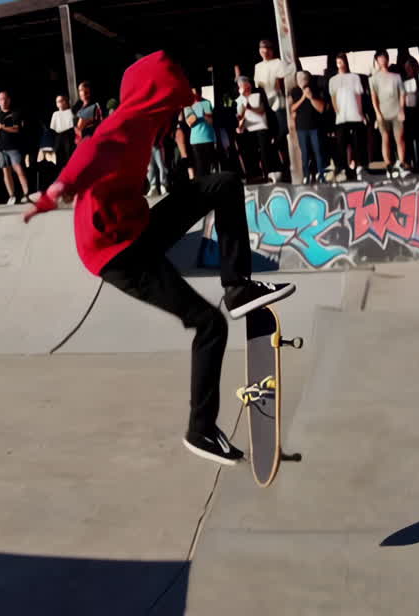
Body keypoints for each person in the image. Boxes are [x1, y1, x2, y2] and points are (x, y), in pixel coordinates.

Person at [23, 51, 295, 465]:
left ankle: (238, 287)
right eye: (173, 108)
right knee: (209, 325)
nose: (175, 119)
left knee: (222, 183)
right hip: (117, 255)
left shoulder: (150, 125)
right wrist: (58, 189)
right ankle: (200, 430)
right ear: (157, 101)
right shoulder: (125, 124)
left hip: (139, 229)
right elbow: (92, 151)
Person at [254, 39, 290, 182]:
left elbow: (282, 82)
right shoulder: (258, 66)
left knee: (283, 130)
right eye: (262, 49)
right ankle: (274, 168)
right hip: (265, 103)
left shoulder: (278, 63)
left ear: (271, 50)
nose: (264, 51)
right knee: (267, 136)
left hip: (278, 102)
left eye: (267, 48)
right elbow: (258, 86)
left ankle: (284, 163)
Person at [370, 50, 408, 177]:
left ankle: (402, 163)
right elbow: (374, 97)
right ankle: (388, 166)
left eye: (384, 57)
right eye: (380, 58)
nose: (382, 60)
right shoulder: (374, 79)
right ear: (377, 60)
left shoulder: (396, 77)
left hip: (396, 111)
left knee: (400, 138)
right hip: (383, 113)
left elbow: (402, 94)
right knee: (385, 138)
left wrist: (402, 109)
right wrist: (377, 113)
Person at [329, 53, 367, 181]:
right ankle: (343, 168)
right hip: (341, 117)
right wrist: (337, 111)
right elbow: (333, 97)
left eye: (342, 61)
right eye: (338, 62)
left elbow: (358, 95)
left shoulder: (354, 77)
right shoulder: (333, 80)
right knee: (342, 144)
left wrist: (361, 113)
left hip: (355, 115)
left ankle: (359, 167)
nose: (341, 64)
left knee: (357, 142)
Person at [0, 91, 33, 205]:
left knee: (19, 170)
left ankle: (26, 194)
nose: (3, 101)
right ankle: (11, 196)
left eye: (5, 99)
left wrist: (2, 127)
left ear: (9, 100)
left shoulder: (15, 113)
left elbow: (16, 129)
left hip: (13, 147)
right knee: (6, 172)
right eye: (1, 99)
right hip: (0, 147)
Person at [291, 71, 327, 183]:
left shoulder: (316, 90)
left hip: (315, 127)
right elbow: (292, 108)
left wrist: (311, 97)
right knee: (305, 153)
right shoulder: (295, 91)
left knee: (318, 152)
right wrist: (303, 97)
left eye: (304, 78)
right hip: (301, 128)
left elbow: (321, 109)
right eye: (299, 79)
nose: (302, 81)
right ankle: (306, 175)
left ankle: (321, 175)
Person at [234, 75, 270, 182]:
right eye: (242, 87)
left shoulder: (257, 95)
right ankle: (253, 175)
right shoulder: (239, 100)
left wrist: (250, 108)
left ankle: (266, 175)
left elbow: (262, 111)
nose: (246, 89)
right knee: (250, 153)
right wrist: (239, 124)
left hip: (261, 126)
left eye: (247, 87)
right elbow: (240, 116)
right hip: (248, 128)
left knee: (264, 152)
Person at [181, 88, 217, 179]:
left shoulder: (207, 102)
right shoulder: (187, 105)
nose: (195, 96)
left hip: (209, 138)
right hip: (196, 140)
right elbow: (190, 123)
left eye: (196, 93)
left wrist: (204, 115)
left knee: (210, 166)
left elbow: (210, 121)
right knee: (200, 167)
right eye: (193, 94)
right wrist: (197, 115)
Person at [50, 94, 77, 173]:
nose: (60, 103)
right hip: (58, 136)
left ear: (66, 102)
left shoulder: (70, 112)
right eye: (58, 101)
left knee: (69, 154)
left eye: (62, 101)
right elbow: (53, 127)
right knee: (58, 155)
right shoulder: (55, 114)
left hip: (68, 134)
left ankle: (71, 172)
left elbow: (72, 124)